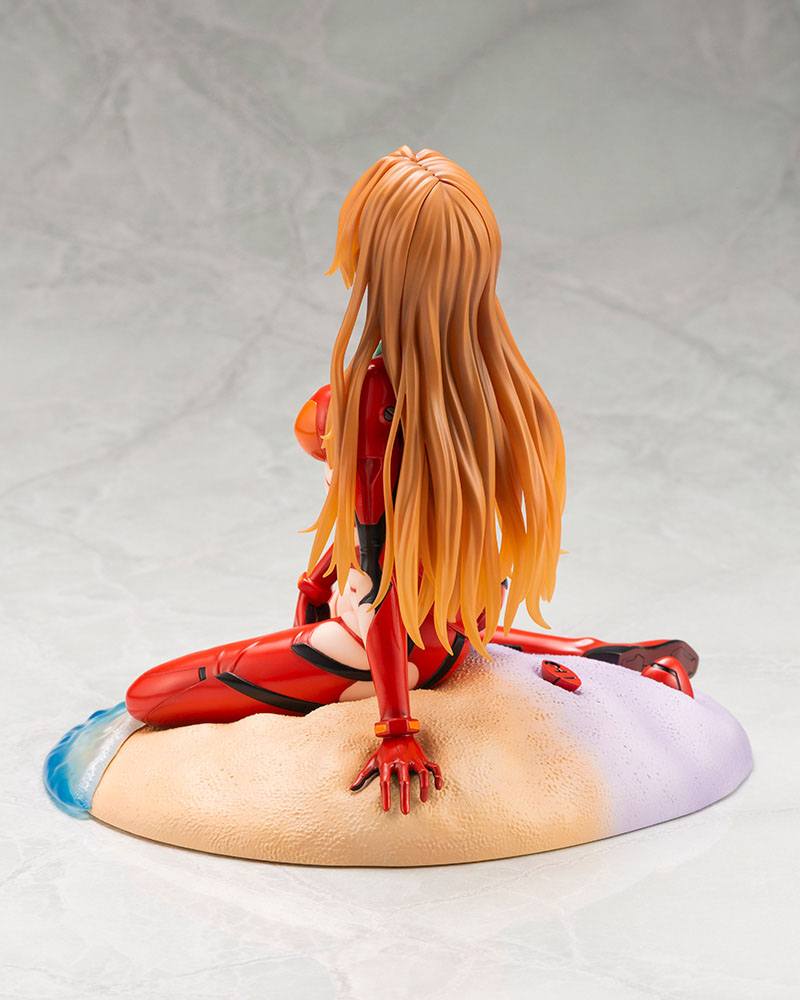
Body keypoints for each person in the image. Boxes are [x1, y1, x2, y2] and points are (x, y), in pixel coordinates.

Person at [125, 148, 697, 814]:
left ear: (380, 259)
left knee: (150, 695)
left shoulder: (378, 392)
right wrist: (322, 581)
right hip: (464, 622)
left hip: (387, 648)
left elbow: (386, 580)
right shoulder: (490, 375)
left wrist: (397, 730)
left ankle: (472, 674)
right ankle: (608, 655)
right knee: (430, 624)